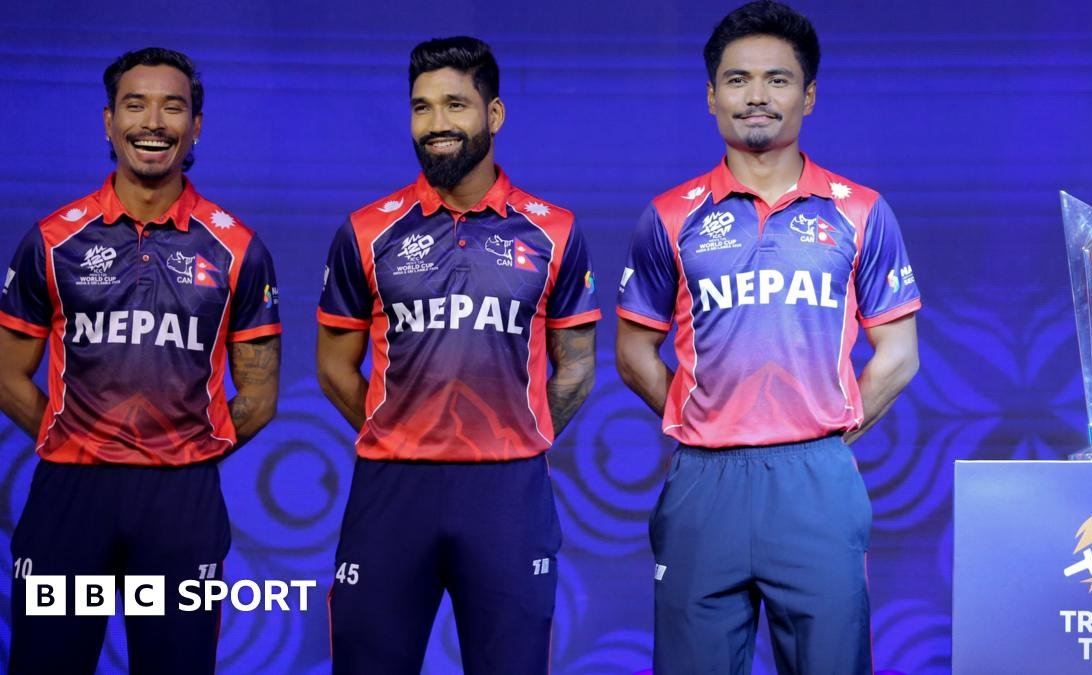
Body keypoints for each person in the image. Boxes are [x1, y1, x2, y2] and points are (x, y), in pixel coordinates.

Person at [615, 2, 921, 673]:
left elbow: (899, 354)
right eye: (738, 79)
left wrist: (829, 432)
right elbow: (634, 350)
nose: (757, 95)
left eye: (778, 79)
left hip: (816, 479)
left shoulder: (860, 210)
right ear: (711, 96)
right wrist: (701, 416)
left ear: (808, 95)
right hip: (703, 480)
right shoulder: (668, 215)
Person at [317, 35, 600, 674]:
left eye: (454, 105)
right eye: (421, 108)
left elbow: (578, 366)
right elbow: (334, 365)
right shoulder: (367, 229)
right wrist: (398, 430)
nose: (436, 123)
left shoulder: (554, 230)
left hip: (508, 492)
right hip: (392, 488)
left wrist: (518, 433)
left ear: (493, 114)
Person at [0, 47, 281, 674]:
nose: (153, 122)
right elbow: (5, 371)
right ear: (109, 121)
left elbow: (260, 397)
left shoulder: (237, 248)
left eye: (172, 107)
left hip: (181, 501)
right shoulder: (53, 239)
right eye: (135, 105)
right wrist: (73, 440)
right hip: (71, 495)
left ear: (196, 126)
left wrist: (181, 452)